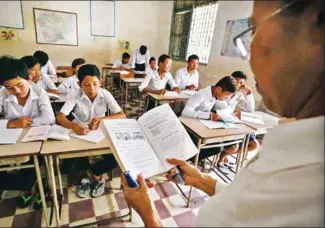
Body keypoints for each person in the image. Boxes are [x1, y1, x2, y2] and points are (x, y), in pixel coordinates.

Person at [120, 0, 324, 226]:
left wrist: (148, 214)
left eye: (254, 31)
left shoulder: (308, 182)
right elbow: (247, 206)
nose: (248, 54)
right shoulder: (299, 154)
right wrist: (202, 180)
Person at [0, 56, 55, 209]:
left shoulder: (39, 92)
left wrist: (24, 123)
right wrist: (11, 123)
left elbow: (49, 118)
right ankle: (31, 186)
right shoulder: (0, 95)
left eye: (19, 85)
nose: (16, 91)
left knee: (32, 169)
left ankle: (37, 188)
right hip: (10, 142)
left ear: (28, 78)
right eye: (9, 87)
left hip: (35, 142)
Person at [56, 64, 126, 198]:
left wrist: (103, 118)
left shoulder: (105, 94)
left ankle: (93, 173)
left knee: (115, 157)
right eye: (86, 84)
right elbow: (60, 117)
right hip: (80, 133)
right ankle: (91, 176)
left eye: (95, 83)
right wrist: (73, 125)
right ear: (79, 84)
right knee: (69, 164)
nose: (92, 88)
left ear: (101, 82)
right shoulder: (75, 95)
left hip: (100, 134)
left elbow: (122, 115)